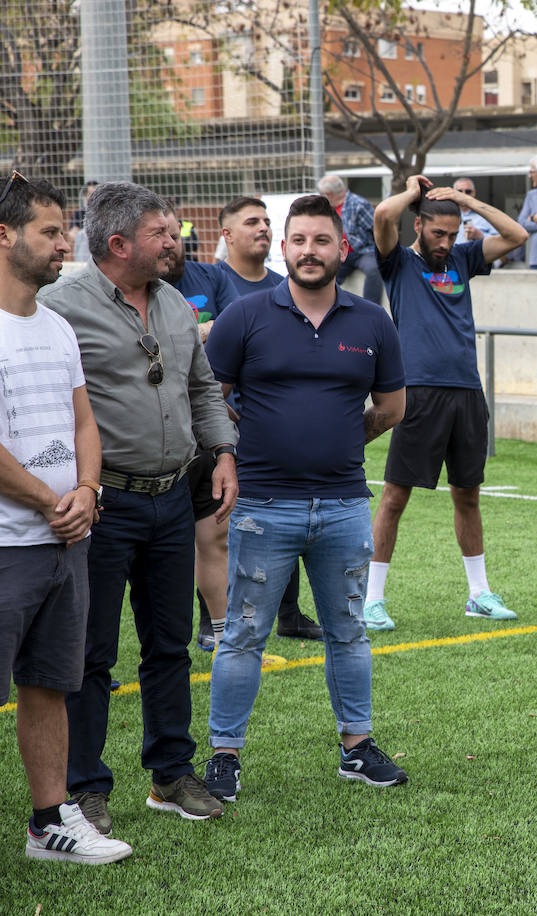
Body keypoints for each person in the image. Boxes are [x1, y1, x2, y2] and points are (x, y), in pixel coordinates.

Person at [41, 181, 238, 833]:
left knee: (170, 644)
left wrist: (224, 452)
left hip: (173, 499)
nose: (175, 240)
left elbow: (203, 387)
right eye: (162, 232)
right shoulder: (58, 307)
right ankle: (86, 787)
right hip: (103, 504)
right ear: (119, 242)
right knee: (91, 652)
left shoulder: (177, 304)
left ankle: (171, 774)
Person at [199, 194, 409, 802]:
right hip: (264, 507)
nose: (309, 251)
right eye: (299, 240)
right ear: (284, 248)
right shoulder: (245, 317)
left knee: (349, 632)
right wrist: (229, 454)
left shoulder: (373, 321)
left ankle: (357, 747)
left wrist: (345, 437)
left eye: (322, 241)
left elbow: (392, 408)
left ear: (343, 249)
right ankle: (225, 755)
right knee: (242, 636)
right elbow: (211, 397)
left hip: (344, 506)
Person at [0, 173, 133, 865]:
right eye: (51, 231)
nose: (65, 243)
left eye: (66, 230)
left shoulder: (55, 325)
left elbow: (85, 419)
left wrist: (86, 487)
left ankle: (49, 823)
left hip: (65, 541)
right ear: (4, 235)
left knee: (49, 685)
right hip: (10, 544)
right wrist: (54, 503)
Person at [366, 176, 528, 630]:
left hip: (466, 392)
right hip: (418, 391)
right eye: (438, 233)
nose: (445, 242)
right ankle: (371, 599)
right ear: (418, 226)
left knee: (468, 494)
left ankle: (478, 594)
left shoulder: (463, 258)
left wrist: (463, 200)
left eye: (452, 234)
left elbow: (518, 236)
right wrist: (415, 193)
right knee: (395, 496)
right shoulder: (397, 262)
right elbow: (382, 216)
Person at [214, 196, 321, 641]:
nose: (261, 228)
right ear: (226, 234)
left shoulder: (286, 286)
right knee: (221, 526)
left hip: (282, 436)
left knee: (292, 513)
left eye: (266, 221)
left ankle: (290, 613)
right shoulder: (214, 280)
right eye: (250, 221)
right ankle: (215, 618)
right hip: (227, 429)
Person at [165, 209, 239, 652]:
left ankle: (222, 632)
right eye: (162, 234)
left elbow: (233, 329)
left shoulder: (211, 275)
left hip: (206, 433)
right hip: (150, 446)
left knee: (216, 534)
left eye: (176, 234)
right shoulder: (122, 292)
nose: (172, 242)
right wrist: (202, 331)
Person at [317, 174, 383, 303]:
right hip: (340, 253)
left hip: (362, 252)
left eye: (322, 194)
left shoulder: (358, 204)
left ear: (329, 194)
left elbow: (377, 229)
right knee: (325, 274)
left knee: (373, 270)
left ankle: (372, 307)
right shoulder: (325, 208)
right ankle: (322, 305)